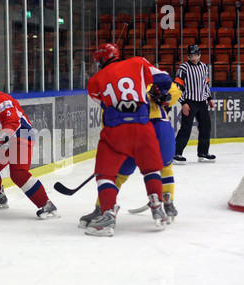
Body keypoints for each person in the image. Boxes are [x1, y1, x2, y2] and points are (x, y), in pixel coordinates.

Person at [84, 43, 173, 236]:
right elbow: (165, 79)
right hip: (143, 125)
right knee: (151, 168)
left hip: (116, 129)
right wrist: (156, 93)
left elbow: (106, 105)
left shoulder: (94, 81)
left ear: (101, 60)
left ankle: (107, 215)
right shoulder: (138, 62)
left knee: (105, 174)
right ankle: (157, 205)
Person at [78, 82, 182, 228]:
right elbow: (175, 91)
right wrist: (161, 93)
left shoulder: (113, 90)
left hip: (131, 131)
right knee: (163, 169)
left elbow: (107, 121)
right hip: (159, 128)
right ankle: (167, 204)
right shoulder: (149, 81)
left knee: (116, 175)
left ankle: (102, 209)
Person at [0, 75, 59, 219]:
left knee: (18, 173)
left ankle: (46, 204)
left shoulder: (2, 101)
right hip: (4, 142)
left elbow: (12, 123)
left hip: (21, 136)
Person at [174, 44, 216, 164]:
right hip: (189, 102)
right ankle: (176, 154)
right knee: (186, 128)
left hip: (202, 102)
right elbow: (177, 87)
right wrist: (183, 102)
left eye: (196, 55)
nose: (194, 58)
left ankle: (203, 153)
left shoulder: (204, 67)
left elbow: (205, 85)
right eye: (191, 55)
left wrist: (209, 98)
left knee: (206, 126)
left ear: (199, 55)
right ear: (188, 56)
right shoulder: (184, 68)